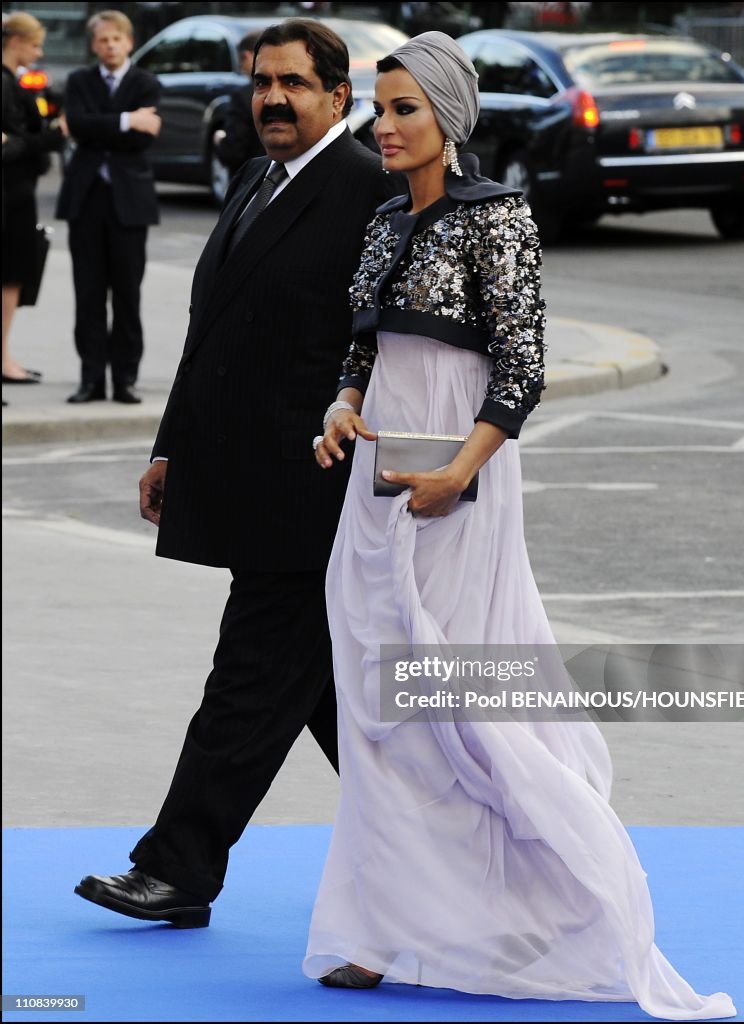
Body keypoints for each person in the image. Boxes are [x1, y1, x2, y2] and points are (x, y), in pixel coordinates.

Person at [304, 32, 737, 1021]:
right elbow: (360, 349)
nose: (386, 125)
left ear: (448, 116)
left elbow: (523, 360)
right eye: (380, 108)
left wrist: (460, 470)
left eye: (405, 108)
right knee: (375, 710)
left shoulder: (495, 214)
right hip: (378, 482)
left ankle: (551, 898)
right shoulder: (379, 221)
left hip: (464, 481)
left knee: (458, 703)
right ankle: (381, 923)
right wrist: (341, 406)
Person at [74, 19, 400, 928]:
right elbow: (215, 327)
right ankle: (462, 845)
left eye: (292, 84)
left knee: (249, 686)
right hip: (249, 481)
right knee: (345, 710)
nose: (271, 100)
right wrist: (171, 446)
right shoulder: (258, 178)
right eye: (261, 83)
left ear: (340, 96)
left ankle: (177, 870)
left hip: (311, 494)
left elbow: (379, 351)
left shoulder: (369, 194)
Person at [56, 9, 161, 405]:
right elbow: (78, 125)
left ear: (129, 42)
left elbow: (142, 139)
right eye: (102, 40)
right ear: (94, 45)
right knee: (88, 295)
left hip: (129, 203)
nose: (110, 45)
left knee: (127, 295)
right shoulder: (80, 80)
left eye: (116, 39)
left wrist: (105, 127)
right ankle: (91, 379)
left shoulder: (145, 82)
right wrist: (124, 121)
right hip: (86, 201)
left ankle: (125, 379)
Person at [2, 12, 63, 391]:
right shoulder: (5, 83)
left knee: (11, 280)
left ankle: (4, 357)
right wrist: (49, 138)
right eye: (35, 44)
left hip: (15, 194)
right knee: (8, 279)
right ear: (16, 42)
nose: (39, 52)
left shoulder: (14, 83)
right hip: (10, 196)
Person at [212, 31, 264, 178]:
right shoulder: (294, 93)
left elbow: (233, 150)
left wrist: (220, 140)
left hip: (250, 179)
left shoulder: (243, 96)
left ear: (247, 56)